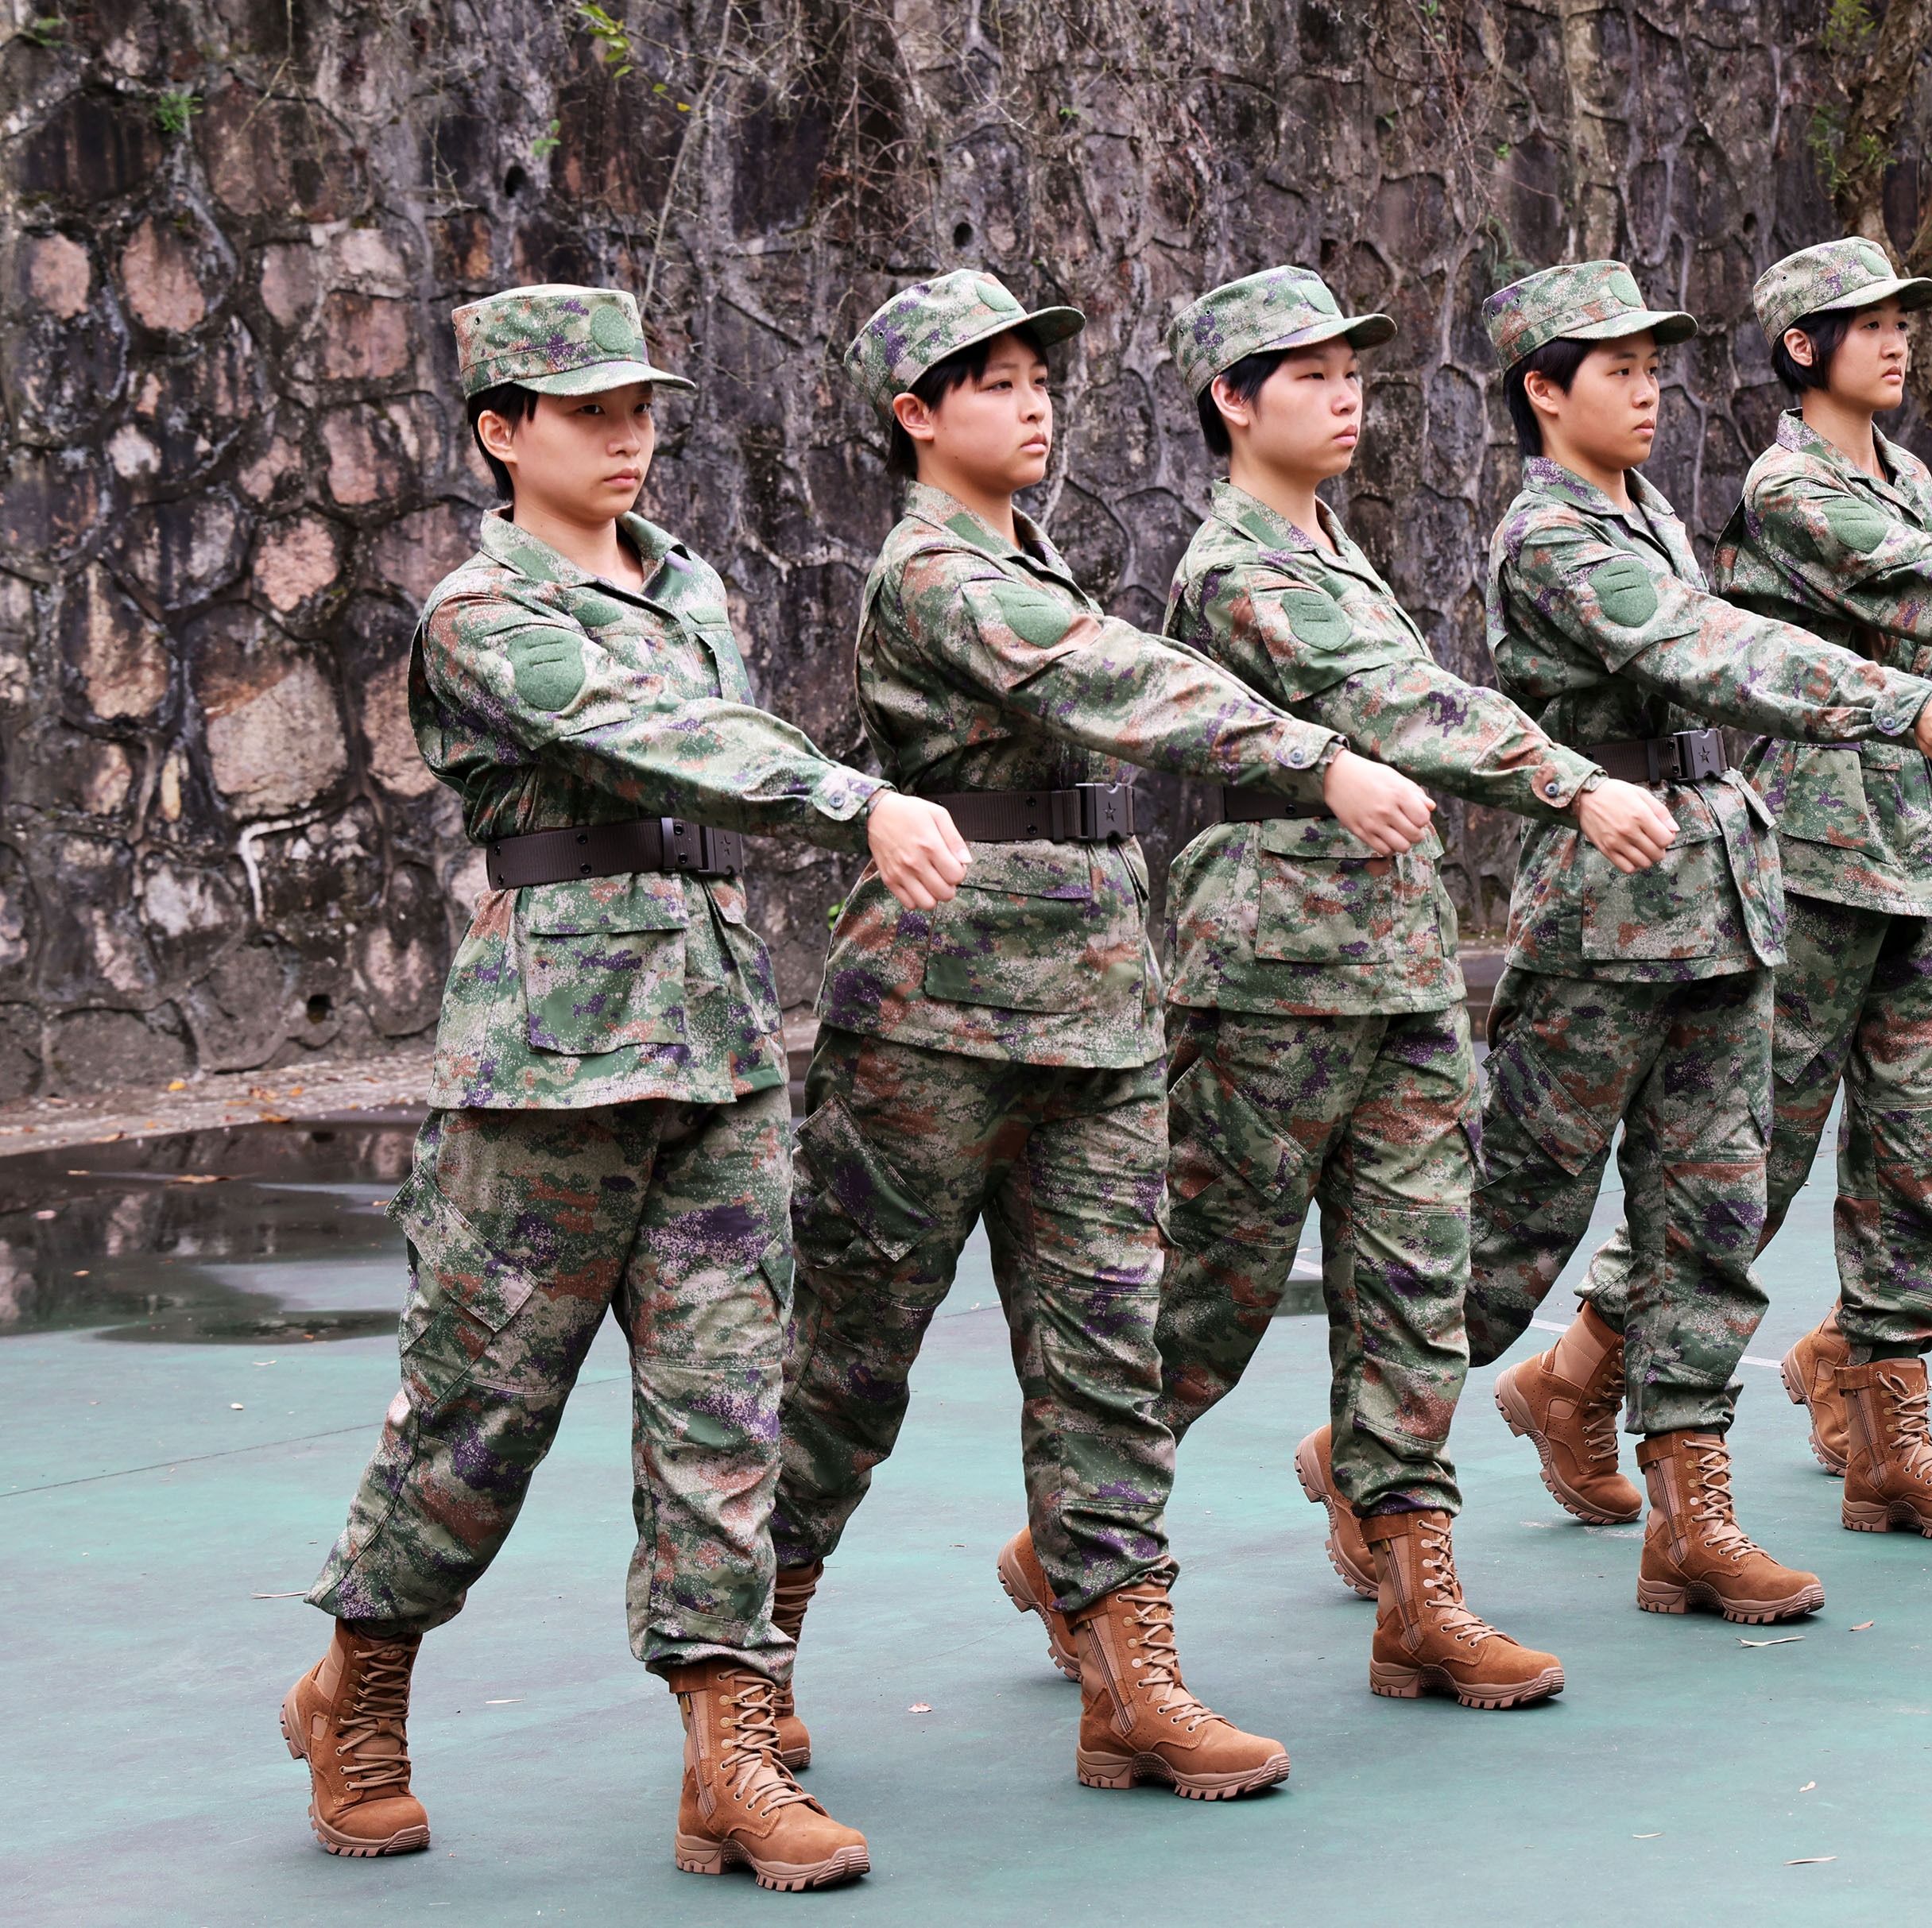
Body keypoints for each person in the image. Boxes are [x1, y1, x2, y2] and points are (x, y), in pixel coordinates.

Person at [285, 285, 975, 1889]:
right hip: (552, 1064)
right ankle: (358, 1694)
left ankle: (727, 1763)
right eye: (588, 410)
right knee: (478, 1418)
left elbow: (706, 754)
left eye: (641, 408)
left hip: (717, 1047)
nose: (628, 436)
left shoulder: (691, 584)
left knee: (726, 1414)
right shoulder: (479, 614)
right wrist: (853, 800)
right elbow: (652, 741)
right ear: (500, 431)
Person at [767, 271, 1434, 1800]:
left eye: (1039, 378)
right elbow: (1109, 677)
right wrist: (1315, 759)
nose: (1034, 403)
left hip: (1092, 1006)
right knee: (851, 1362)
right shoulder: (937, 574)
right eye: (993, 383)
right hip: (935, 1017)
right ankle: (755, 1652)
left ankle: (1130, 1681)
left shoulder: (1031, 555)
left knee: (1106, 1359)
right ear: (915, 416)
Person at [1153, 265, 1678, 1709]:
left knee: (1412, 1292)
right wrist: (1570, 781)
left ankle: (1418, 1594)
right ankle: (1082, 1547)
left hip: (1395, 965)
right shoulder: (1238, 568)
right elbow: (1399, 704)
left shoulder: (1335, 547)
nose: (1345, 398)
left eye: (1353, 373)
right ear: (1231, 400)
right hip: (1273, 976)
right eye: (1308, 375)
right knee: (1206, 1306)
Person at [1467, 259, 1932, 1620]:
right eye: (1618, 369)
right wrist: (1891, 700)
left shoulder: (1646, 515)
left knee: (1709, 1218)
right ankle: (1369, 1462)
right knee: (1509, 1232)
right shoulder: (1552, 538)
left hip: (1712, 897)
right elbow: (1707, 651)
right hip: (1602, 916)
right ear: (1543, 391)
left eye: (1655, 367)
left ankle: (1690, 1518)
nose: (1648, 391)